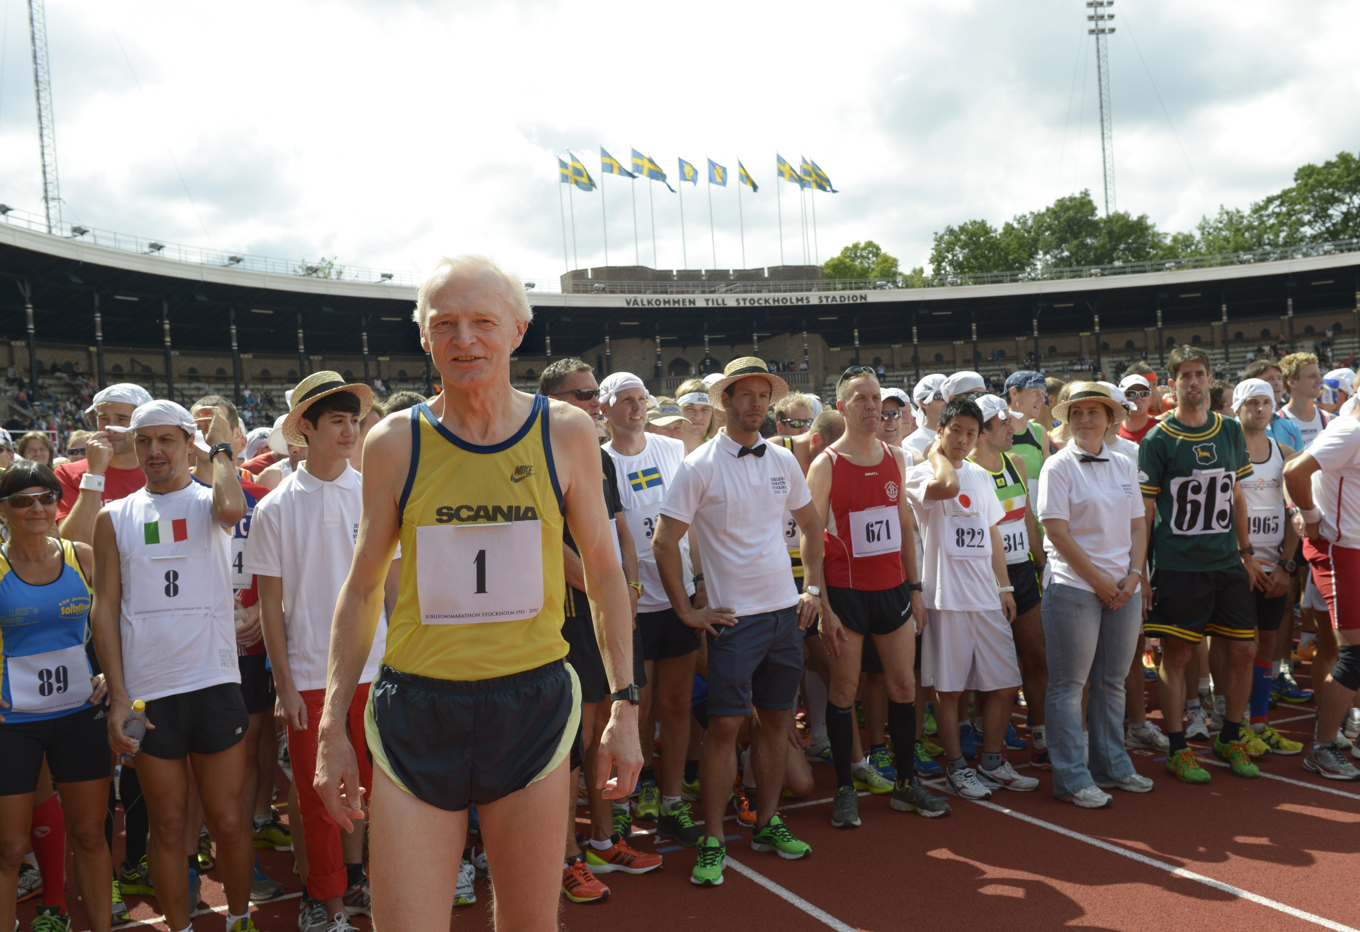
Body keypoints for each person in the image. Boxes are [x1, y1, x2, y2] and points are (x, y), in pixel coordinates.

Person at [312, 256, 642, 932]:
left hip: (532, 705)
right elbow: (363, 584)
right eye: (445, 325)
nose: (464, 340)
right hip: (418, 711)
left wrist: (625, 705)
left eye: (483, 322)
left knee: (529, 924)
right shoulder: (393, 443)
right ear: (425, 336)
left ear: (518, 330)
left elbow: (606, 575)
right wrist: (330, 732)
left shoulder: (568, 433)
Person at [653, 357, 834, 886]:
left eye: (763, 395)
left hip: (784, 615)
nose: (756, 404)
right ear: (725, 402)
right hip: (732, 621)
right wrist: (687, 608)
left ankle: (768, 821)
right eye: (746, 395)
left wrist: (813, 589)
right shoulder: (700, 465)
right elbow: (665, 541)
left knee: (778, 722)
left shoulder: (781, 460)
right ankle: (713, 837)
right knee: (727, 728)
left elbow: (811, 525)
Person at [91, 400, 257, 932]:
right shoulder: (114, 516)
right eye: (145, 441)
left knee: (229, 822)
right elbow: (105, 609)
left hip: (213, 680)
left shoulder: (213, 501)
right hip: (149, 691)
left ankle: (238, 919)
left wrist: (223, 448)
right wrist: (119, 696)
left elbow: (234, 509)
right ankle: (180, 928)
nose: (155, 451)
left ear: (191, 444)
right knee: (167, 824)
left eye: (167, 439)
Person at [245, 374, 387, 932]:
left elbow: (393, 586)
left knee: (376, 795)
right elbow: (270, 607)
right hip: (308, 675)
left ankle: (356, 887)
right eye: (337, 421)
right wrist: (283, 684)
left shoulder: (374, 491)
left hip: (378, 669)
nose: (350, 431)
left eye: (354, 421)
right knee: (319, 797)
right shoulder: (277, 506)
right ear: (304, 428)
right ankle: (326, 907)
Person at [806, 367, 949, 829]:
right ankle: (847, 787)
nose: (872, 406)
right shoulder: (825, 463)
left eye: (877, 399)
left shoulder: (895, 456)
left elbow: (904, 526)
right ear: (843, 405)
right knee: (845, 690)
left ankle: (906, 785)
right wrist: (820, 600)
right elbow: (812, 539)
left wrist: (915, 586)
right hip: (846, 594)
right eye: (861, 399)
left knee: (904, 686)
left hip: (892, 591)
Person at [537, 359, 658, 902]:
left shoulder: (599, 458)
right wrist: (603, 589)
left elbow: (621, 532)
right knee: (569, 744)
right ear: (551, 402)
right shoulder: (535, 455)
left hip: (602, 608)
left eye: (594, 393)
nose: (592, 401)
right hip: (561, 617)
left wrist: (627, 593)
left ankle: (606, 841)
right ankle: (565, 858)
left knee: (608, 724)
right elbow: (548, 543)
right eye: (581, 394)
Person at [1140, 345, 1265, 784]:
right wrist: (1142, 573)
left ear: (1210, 379)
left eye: (1200, 374)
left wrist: (1246, 553)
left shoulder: (1229, 431)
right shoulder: (1158, 440)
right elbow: (1146, 511)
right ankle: (1177, 747)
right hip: (1179, 564)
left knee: (1245, 649)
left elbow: (1236, 494)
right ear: (1172, 385)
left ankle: (1230, 736)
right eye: (1185, 376)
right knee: (1177, 654)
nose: (1194, 382)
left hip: (1227, 560)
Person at [903, 397, 1036, 799]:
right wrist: (936, 454)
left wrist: (1005, 586)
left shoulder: (980, 476)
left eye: (970, 433)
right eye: (955, 430)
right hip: (946, 597)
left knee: (1004, 682)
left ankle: (993, 761)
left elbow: (992, 532)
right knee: (949, 689)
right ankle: (958, 768)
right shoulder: (921, 473)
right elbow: (947, 486)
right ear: (939, 430)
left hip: (986, 596)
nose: (962, 439)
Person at [0, 462, 110, 932]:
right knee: (7, 849)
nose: (36, 508)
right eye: (22, 500)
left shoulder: (81, 556)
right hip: (13, 724)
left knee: (89, 834)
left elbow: (110, 629)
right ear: (4, 511)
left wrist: (110, 676)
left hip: (79, 716)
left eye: (45, 497)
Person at [599, 372, 703, 848]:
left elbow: (692, 523)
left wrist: (699, 582)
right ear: (605, 410)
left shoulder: (670, 449)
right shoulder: (597, 460)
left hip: (676, 595)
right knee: (634, 712)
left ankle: (671, 801)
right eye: (625, 400)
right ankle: (622, 804)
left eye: (641, 399)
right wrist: (624, 588)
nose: (636, 408)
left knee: (677, 705)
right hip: (630, 607)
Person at [1037, 383, 1153, 808]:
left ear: (1110, 419)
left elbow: (1139, 525)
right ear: (1067, 421)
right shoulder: (1058, 466)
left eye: (1094, 412)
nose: (1085, 419)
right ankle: (1070, 777)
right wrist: (1102, 582)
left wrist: (1134, 575)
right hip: (1074, 587)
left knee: (1112, 682)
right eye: (1077, 412)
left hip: (1123, 587)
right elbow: (1055, 531)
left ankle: (1113, 765)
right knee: (1069, 686)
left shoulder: (1124, 463)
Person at [967, 395, 1049, 766]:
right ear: (982, 432)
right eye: (1002, 424)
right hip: (984, 580)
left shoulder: (1014, 462)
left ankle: (1042, 736)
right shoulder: (966, 470)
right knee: (992, 670)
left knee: (1037, 658)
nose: (1011, 428)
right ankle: (987, 739)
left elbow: (1027, 518)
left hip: (1022, 573)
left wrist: (1042, 560)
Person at [1283, 398, 1360, 780]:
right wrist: (1308, 515)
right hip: (1342, 551)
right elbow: (1294, 470)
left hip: (1355, 548)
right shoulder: (1351, 430)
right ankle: (1323, 747)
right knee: (1354, 655)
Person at [1231, 379, 1306, 755]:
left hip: (1275, 567)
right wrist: (1243, 558)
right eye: (1252, 402)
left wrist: (1287, 567)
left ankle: (1259, 724)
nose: (1260, 409)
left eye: (1266, 402)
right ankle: (1234, 723)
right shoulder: (1229, 452)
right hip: (1237, 568)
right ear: (1237, 407)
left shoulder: (1286, 453)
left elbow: (1296, 515)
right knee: (1245, 647)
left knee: (1269, 645)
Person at [55, 384, 154, 545]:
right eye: (103, 419)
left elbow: (177, 533)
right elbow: (74, 544)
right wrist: (94, 474)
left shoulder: (160, 472)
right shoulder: (69, 473)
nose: (110, 428)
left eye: (121, 419)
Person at [1004, 370, 1054, 477]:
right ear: (1014, 393)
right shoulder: (993, 432)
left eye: (1043, 394)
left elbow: (1050, 477)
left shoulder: (1040, 432)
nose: (1042, 399)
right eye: (1035, 392)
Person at [1278, 352, 1330, 446]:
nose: (1321, 381)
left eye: (1319, 375)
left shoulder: (1330, 420)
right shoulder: (1276, 423)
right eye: (1312, 376)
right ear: (1292, 382)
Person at [903, 374, 947, 459]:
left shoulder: (966, 434)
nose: (946, 401)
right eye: (940, 397)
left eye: (948, 395)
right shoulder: (911, 443)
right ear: (924, 402)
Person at [675, 378, 717, 453]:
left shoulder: (719, 452)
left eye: (705, 410)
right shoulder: (665, 451)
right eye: (690, 409)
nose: (698, 417)